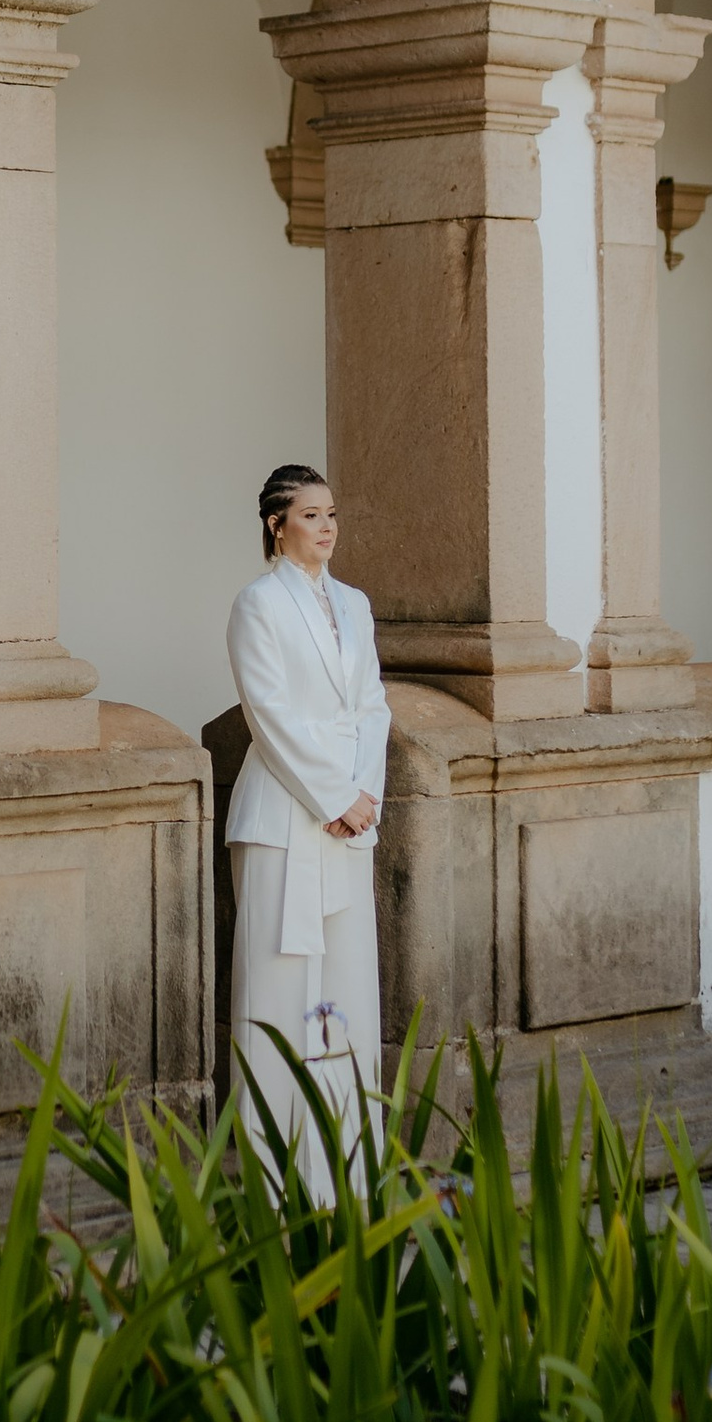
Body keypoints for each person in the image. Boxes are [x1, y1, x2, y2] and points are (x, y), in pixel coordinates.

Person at [224, 462, 389, 1174]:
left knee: (347, 987)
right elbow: (270, 716)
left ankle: (350, 1174)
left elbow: (373, 706)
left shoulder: (354, 604)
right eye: (312, 515)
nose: (328, 527)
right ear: (276, 524)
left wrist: (363, 797)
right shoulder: (257, 605)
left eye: (332, 514)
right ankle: (276, 1175)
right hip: (283, 820)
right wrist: (332, 797)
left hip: (350, 819)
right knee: (281, 989)